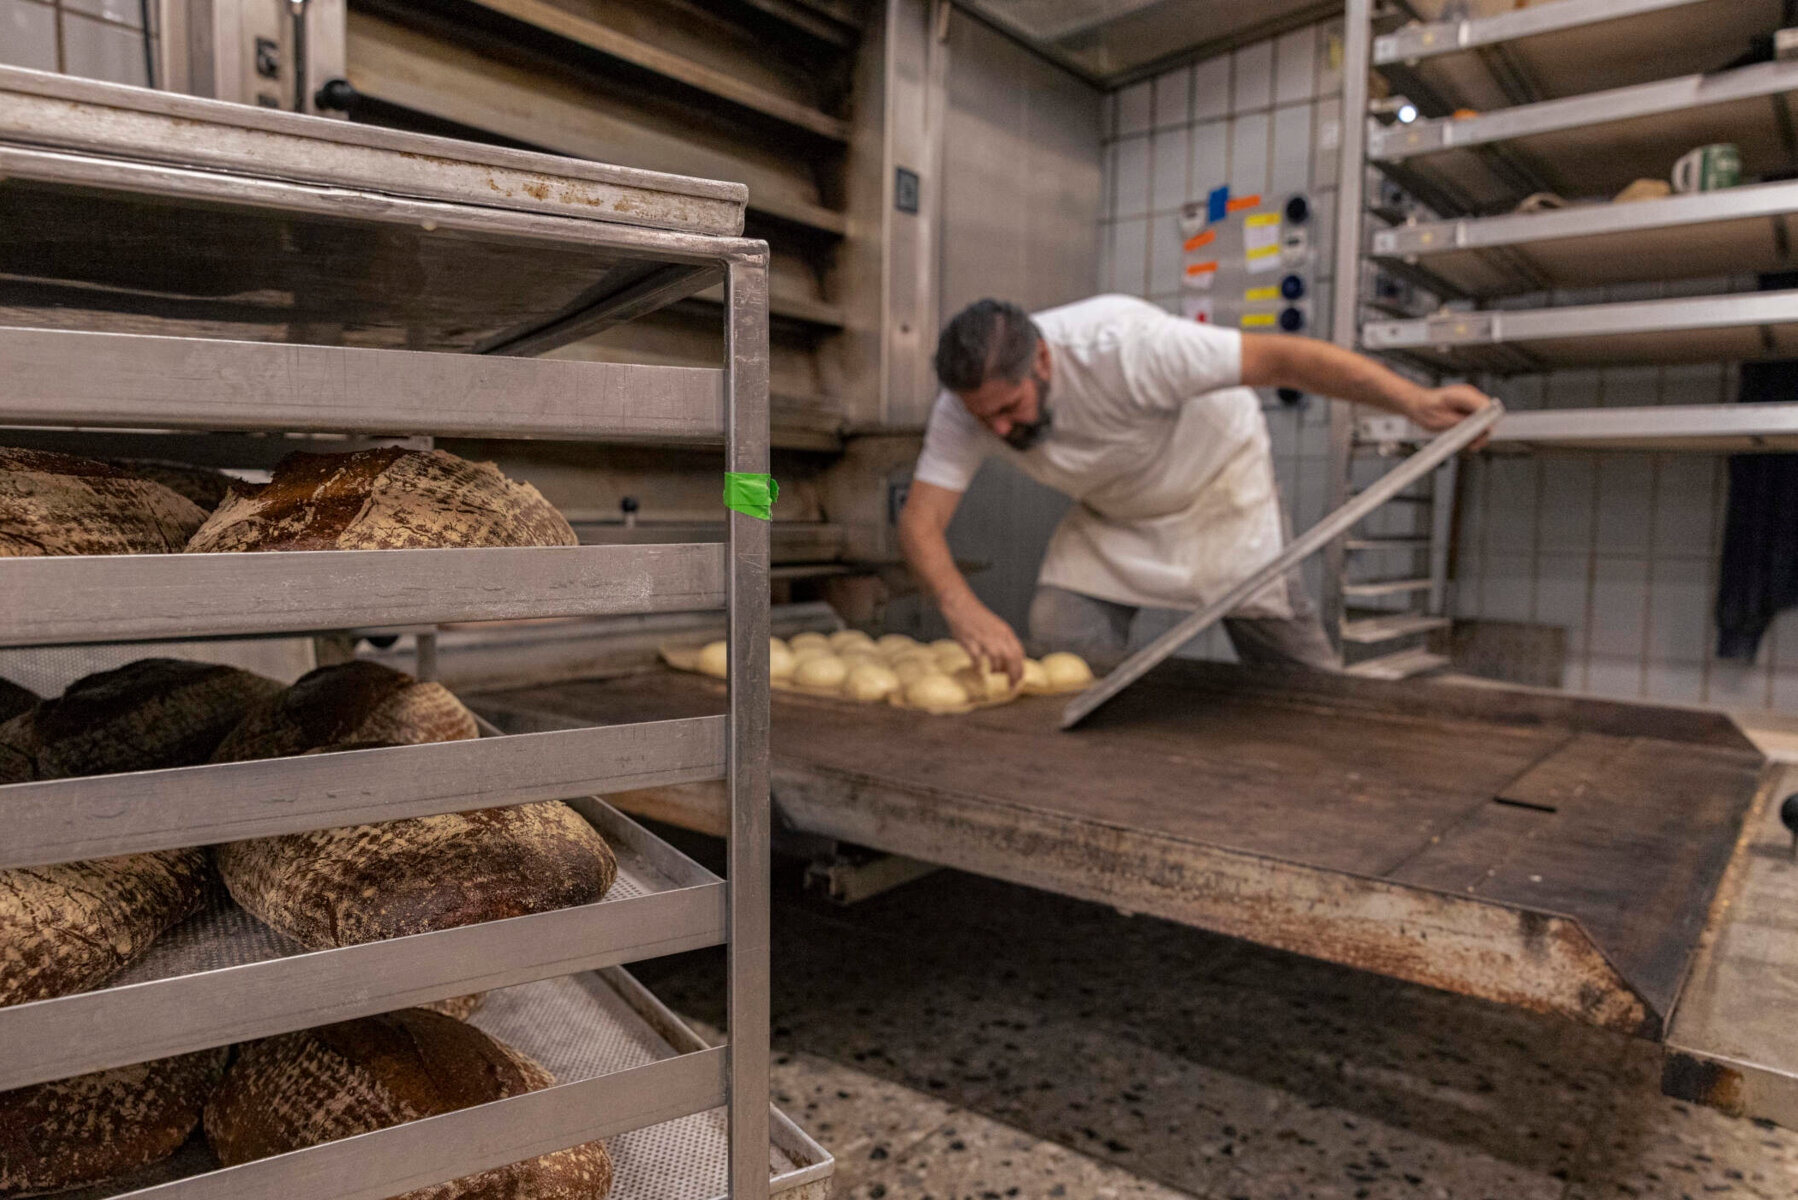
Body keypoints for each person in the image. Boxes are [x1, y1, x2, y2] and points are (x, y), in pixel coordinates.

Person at [898, 294, 1493, 681]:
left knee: (1293, 667)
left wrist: (1415, 401)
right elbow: (921, 523)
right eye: (984, 419)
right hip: (1114, 513)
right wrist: (961, 607)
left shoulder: (1129, 348)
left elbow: (1284, 360)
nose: (998, 429)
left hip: (1216, 490)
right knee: (1062, 649)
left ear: (1044, 363)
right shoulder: (963, 406)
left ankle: (1333, 753)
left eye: (1010, 408)